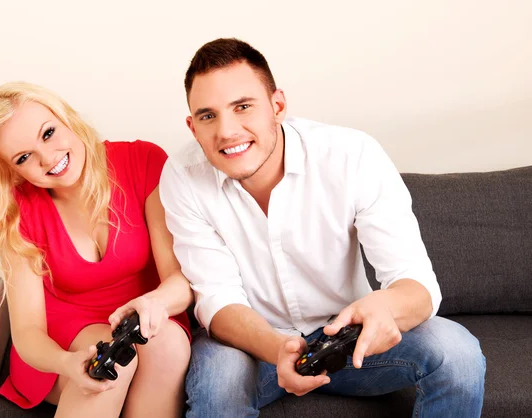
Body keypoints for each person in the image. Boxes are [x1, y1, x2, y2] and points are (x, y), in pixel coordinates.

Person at [159, 38, 486, 417]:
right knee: (219, 384)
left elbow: (416, 281)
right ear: (193, 126)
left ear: (277, 106)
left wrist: (385, 306)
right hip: (249, 345)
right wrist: (277, 348)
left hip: (343, 341)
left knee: (458, 354)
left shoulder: (350, 155)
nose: (227, 131)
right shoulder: (182, 176)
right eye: (208, 115)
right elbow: (218, 299)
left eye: (243, 107)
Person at [0, 82, 192, 418]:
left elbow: (177, 280)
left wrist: (155, 302)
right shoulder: (17, 211)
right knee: (113, 358)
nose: (48, 158)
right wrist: (67, 363)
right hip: (63, 343)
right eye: (24, 157)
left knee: (168, 344)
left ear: (66, 117)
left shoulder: (143, 160)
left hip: (149, 314)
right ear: (13, 172)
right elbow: (28, 332)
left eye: (48, 133)